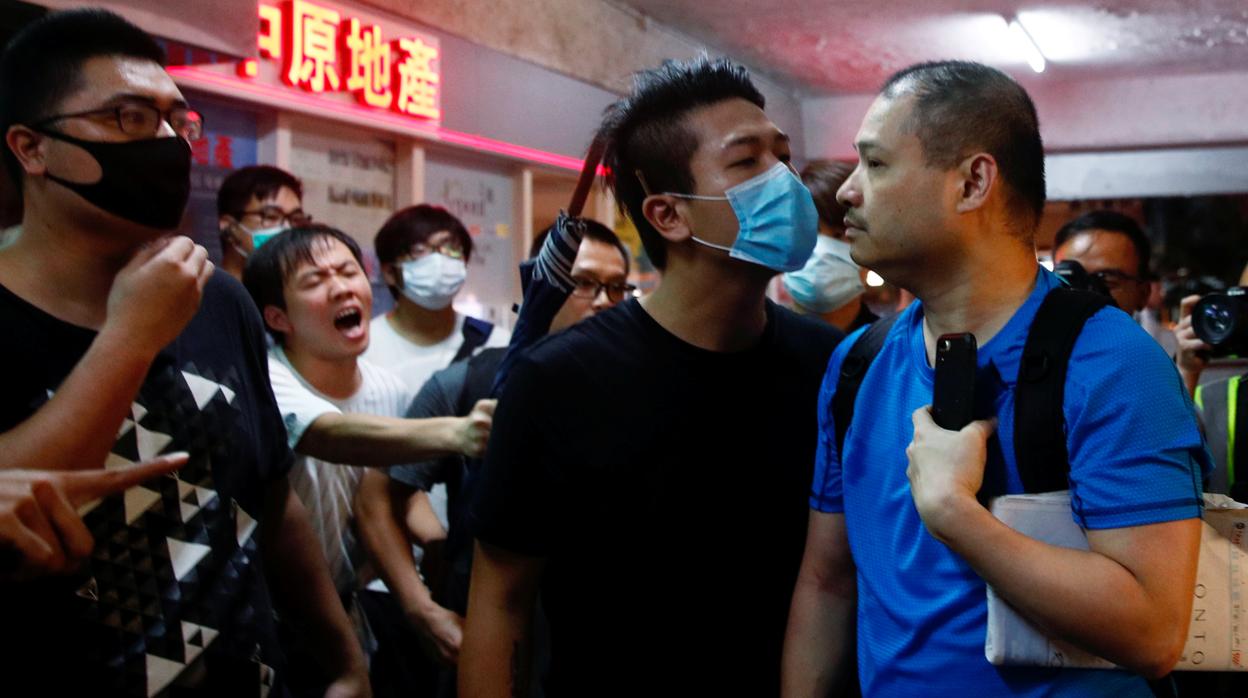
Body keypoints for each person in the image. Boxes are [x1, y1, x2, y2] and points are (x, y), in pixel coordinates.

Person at [783, 61, 1210, 697]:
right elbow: (828, 582)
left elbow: (1153, 632)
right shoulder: (858, 365)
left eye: (874, 165)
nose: (847, 191)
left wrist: (957, 515)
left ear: (973, 182)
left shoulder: (1114, 364)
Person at [0, 9, 368, 696]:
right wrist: (131, 336)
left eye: (178, 121)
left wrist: (346, 661)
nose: (168, 143)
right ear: (31, 148)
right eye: (129, 118)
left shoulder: (215, 299)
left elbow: (268, 492)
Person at [459, 56, 842, 697]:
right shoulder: (559, 381)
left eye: (784, 157)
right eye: (748, 162)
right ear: (668, 215)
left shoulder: (831, 364)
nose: (785, 181)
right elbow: (501, 601)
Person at [355, 219, 632, 696]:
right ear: (543, 283)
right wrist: (422, 608)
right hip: (488, 628)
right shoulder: (474, 382)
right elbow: (377, 496)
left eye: (615, 287)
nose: (603, 300)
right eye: (584, 284)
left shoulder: (636, 386)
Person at [364, 204, 510, 393]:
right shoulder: (364, 348)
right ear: (389, 272)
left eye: (451, 248)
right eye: (418, 250)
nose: (438, 260)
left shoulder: (497, 343)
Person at [782, 159, 875, 332]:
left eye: (839, 234)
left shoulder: (892, 351)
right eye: (808, 232)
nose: (821, 251)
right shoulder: (752, 348)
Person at [217, 164, 309, 281]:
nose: (287, 229)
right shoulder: (203, 294)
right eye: (271, 216)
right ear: (229, 226)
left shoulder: (289, 297)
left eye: (295, 219)